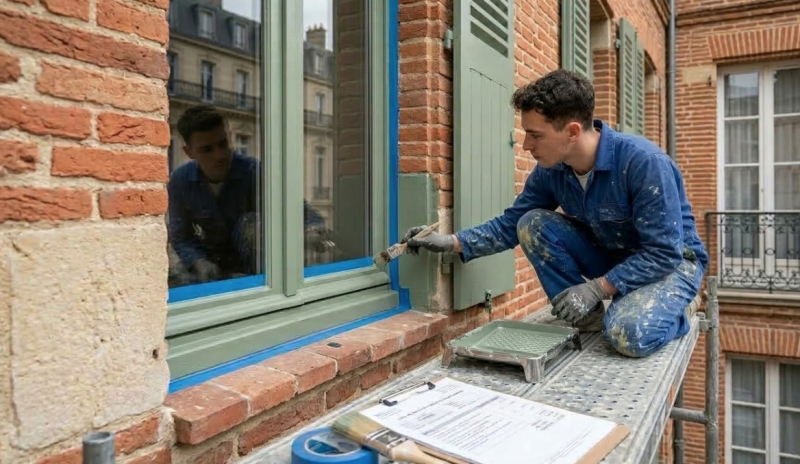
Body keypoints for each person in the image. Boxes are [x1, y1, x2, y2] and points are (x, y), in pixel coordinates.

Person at [402, 69, 708, 359]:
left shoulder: (644, 163)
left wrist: (598, 288)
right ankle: (587, 317)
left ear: (572, 131)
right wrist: (452, 242)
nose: (524, 145)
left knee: (628, 334)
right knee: (532, 223)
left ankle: (682, 307)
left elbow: (663, 253)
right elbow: (511, 224)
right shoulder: (552, 171)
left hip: (671, 264)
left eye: (535, 135)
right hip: (615, 256)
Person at [167, 105, 262, 285]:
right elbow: (181, 236)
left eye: (223, 144)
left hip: (255, 272)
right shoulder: (180, 180)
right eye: (207, 149)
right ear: (189, 152)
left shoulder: (253, 171)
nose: (220, 155)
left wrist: (312, 228)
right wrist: (199, 262)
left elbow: (295, 210)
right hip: (211, 268)